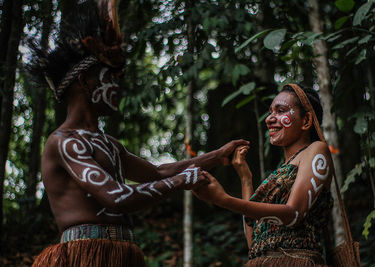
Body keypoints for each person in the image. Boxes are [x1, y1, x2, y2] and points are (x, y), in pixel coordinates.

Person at [27, 1, 249, 266]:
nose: (119, 88)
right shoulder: (64, 142)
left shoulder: (109, 144)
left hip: (121, 254)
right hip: (83, 256)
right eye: (111, 78)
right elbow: (116, 197)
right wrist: (181, 182)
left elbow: (157, 172)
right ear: (84, 81)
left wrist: (217, 155)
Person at [193, 83, 333, 267]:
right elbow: (254, 244)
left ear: (306, 121)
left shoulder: (317, 150)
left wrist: (223, 200)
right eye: (270, 112)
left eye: (281, 111)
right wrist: (245, 179)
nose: (269, 119)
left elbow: (293, 214)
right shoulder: (280, 172)